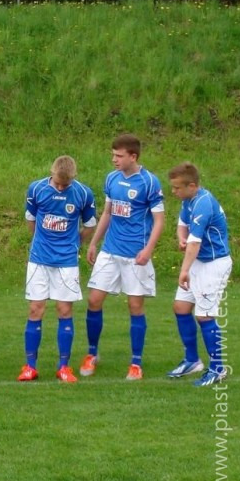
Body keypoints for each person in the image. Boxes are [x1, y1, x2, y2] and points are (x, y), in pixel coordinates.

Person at [83, 134, 165, 380]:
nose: (114, 159)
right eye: (113, 155)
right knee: (94, 300)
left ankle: (136, 363)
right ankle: (92, 353)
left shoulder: (149, 182)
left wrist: (148, 250)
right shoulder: (112, 178)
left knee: (135, 306)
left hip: (135, 254)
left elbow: (159, 220)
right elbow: (107, 213)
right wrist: (94, 243)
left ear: (133, 156)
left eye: (119, 156)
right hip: (110, 251)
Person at [18, 156, 97, 383]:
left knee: (64, 310)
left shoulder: (83, 193)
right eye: (58, 183)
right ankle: (30, 367)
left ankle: (64, 367)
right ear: (51, 173)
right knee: (35, 309)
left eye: (66, 184)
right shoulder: (37, 189)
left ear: (73, 177)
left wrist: (75, 243)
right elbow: (31, 220)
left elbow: (90, 225)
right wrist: (41, 242)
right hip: (39, 260)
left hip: (66, 262)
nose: (61, 187)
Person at [167, 162, 232, 387]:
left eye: (177, 187)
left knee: (204, 316)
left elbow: (194, 243)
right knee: (181, 307)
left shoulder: (203, 203)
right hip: (199, 262)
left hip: (213, 264)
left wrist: (184, 271)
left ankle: (218, 368)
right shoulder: (188, 200)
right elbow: (182, 225)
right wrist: (181, 238)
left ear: (192, 186)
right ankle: (192, 360)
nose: (173, 191)